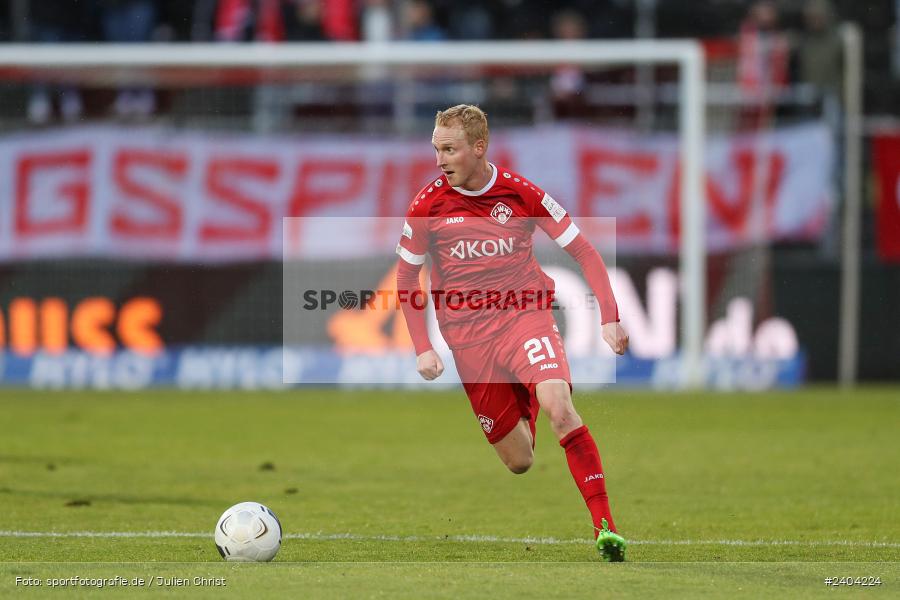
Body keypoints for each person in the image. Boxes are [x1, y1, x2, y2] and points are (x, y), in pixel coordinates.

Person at [395, 104, 629, 561]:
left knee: (560, 407)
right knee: (520, 461)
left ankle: (606, 528)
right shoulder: (427, 205)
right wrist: (423, 348)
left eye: (449, 149)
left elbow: (583, 249)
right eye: (435, 149)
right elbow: (406, 279)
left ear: (479, 148)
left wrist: (609, 316)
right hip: (467, 338)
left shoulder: (521, 194)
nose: (439, 159)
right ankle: (528, 397)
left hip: (526, 316)